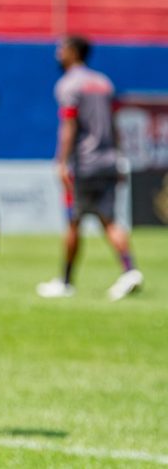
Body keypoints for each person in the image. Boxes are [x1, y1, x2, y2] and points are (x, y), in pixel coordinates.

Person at [36, 35, 143, 301]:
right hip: (108, 160)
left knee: (73, 221)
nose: (58, 54)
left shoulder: (68, 85)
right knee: (110, 220)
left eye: (62, 49)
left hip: (84, 163)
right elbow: (114, 125)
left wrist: (62, 161)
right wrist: (119, 157)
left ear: (73, 52)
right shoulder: (103, 83)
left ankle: (65, 281)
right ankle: (130, 270)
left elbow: (69, 126)